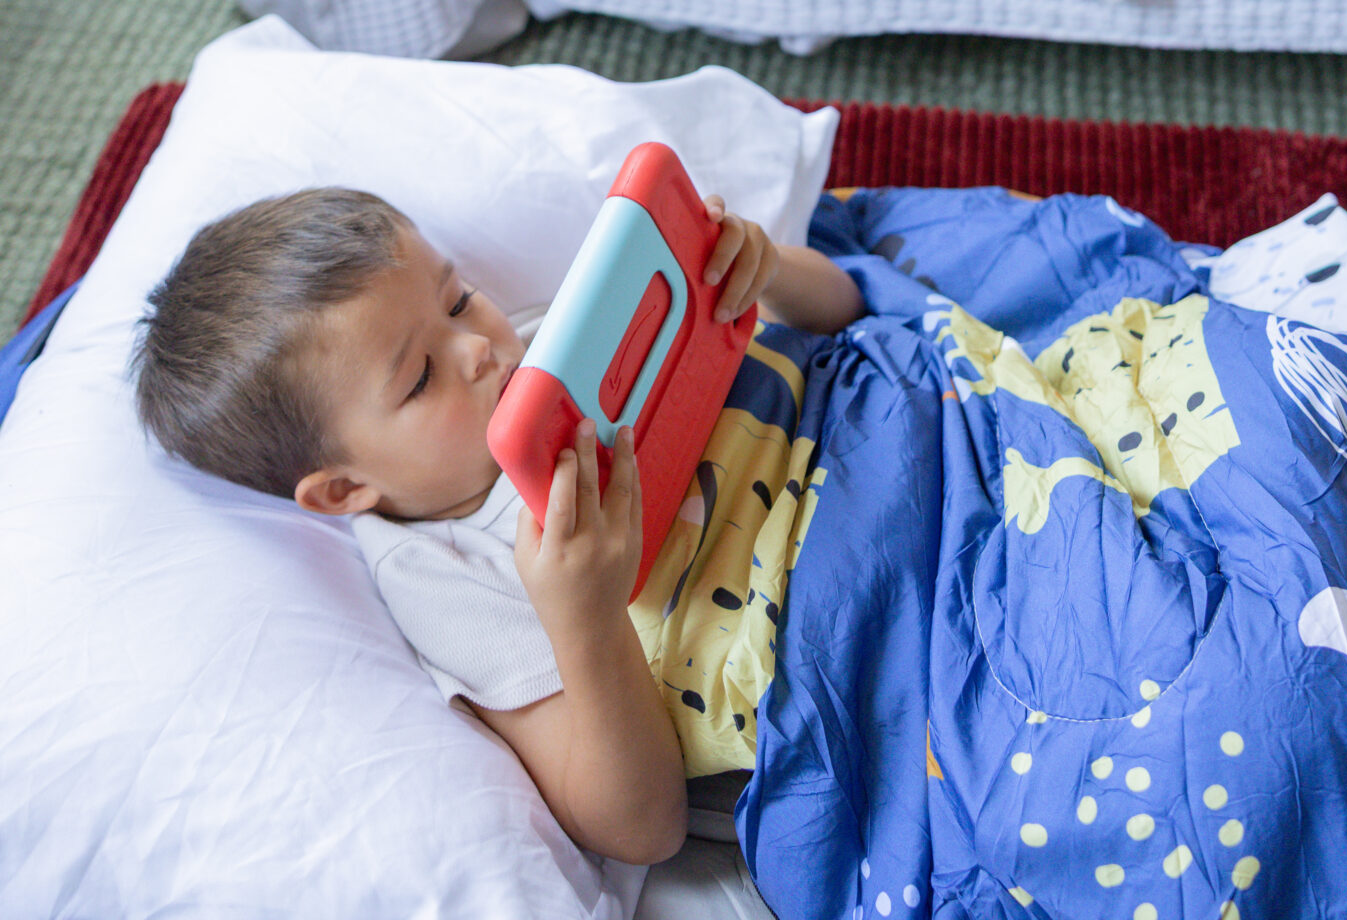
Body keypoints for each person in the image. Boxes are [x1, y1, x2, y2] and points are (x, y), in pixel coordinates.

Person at [130, 185, 864, 868]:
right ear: (347, 487)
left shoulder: (557, 340)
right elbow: (638, 828)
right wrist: (586, 621)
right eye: (420, 377)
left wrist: (761, 271)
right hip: (844, 620)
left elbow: (842, 308)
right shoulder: (439, 572)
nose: (479, 347)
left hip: (869, 445)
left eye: (458, 301)